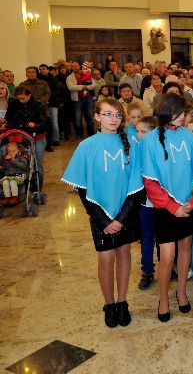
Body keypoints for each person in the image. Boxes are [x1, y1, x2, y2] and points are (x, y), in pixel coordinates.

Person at [62, 98, 143, 327]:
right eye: (107, 114)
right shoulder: (86, 146)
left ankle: (122, 301)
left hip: (125, 212)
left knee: (124, 255)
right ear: (96, 117)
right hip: (99, 214)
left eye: (117, 115)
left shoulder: (132, 144)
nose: (113, 119)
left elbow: (137, 187)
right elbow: (83, 188)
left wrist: (121, 218)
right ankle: (109, 304)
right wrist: (105, 220)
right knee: (106, 259)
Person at [140, 93, 193, 322]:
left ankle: (181, 292)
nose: (183, 117)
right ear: (166, 111)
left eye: (184, 113)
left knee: (185, 249)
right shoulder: (149, 141)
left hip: (189, 205)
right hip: (165, 208)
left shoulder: (189, 138)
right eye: (179, 113)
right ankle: (163, 298)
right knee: (166, 256)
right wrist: (173, 207)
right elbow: (150, 182)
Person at [5, 86, 48, 190]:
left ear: (29, 95)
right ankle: (24, 186)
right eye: (18, 98)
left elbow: (44, 123)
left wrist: (35, 125)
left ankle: (38, 189)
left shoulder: (38, 105)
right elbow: (9, 119)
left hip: (37, 138)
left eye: (23, 98)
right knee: (22, 161)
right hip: (20, 138)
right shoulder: (14, 105)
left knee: (37, 164)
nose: (21, 101)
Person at [135, 115, 158, 291]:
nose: (140, 135)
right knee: (146, 238)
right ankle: (147, 270)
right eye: (138, 131)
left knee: (164, 238)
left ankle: (167, 265)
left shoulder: (161, 150)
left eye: (144, 131)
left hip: (163, 202)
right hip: (145, 203)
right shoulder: (137, 151)